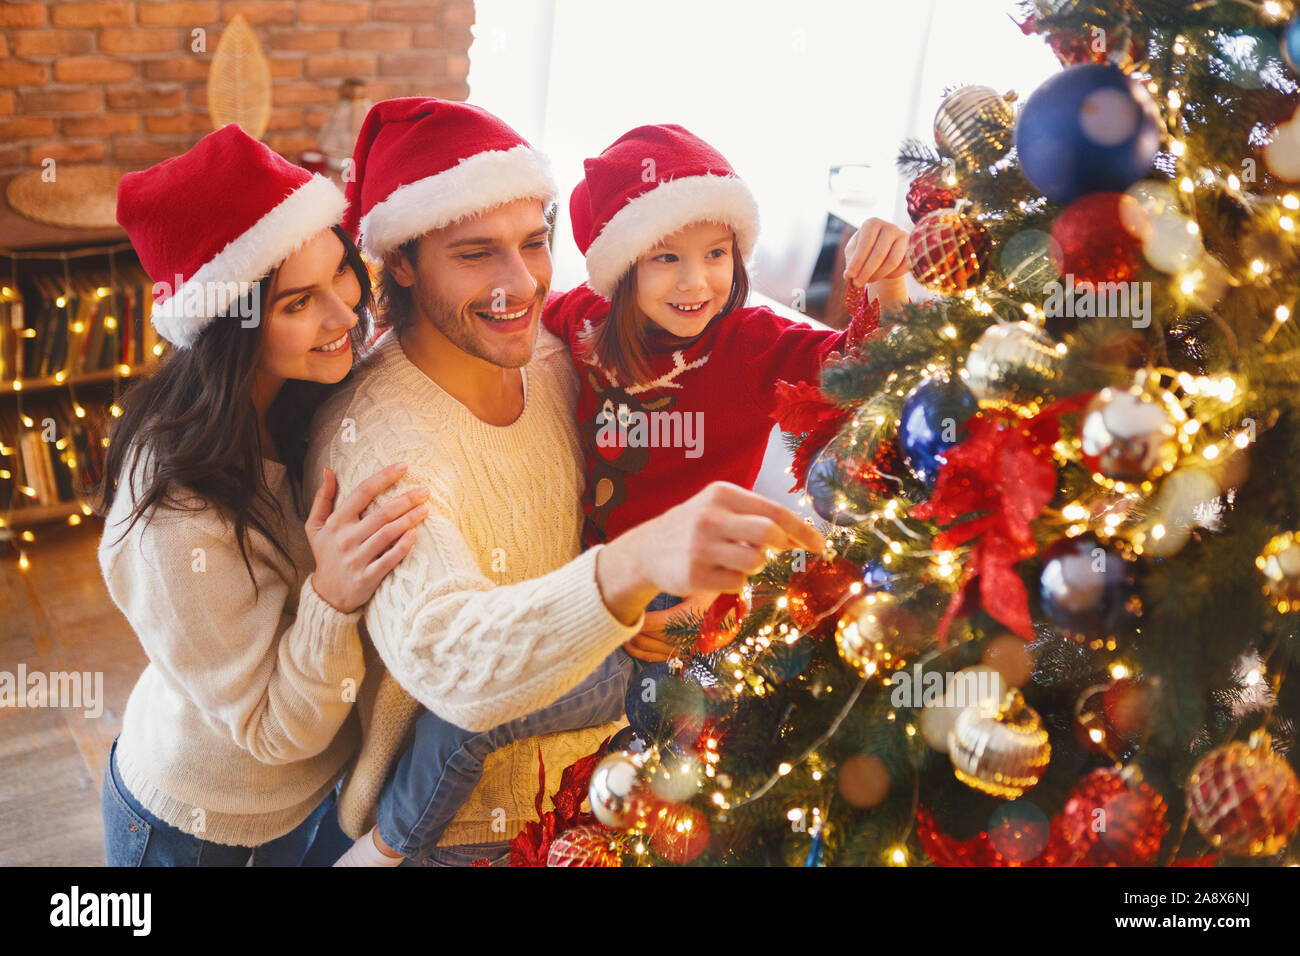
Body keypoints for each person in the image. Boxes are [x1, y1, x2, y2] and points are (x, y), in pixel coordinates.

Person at [305, 97, 826, 867]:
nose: (522, 284)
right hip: (468, 834)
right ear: (402, 262)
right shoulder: (382, 439)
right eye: (477, 252)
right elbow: (458, 668)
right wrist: (629, 574)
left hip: (587, 790)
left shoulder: (554, 350)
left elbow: (754, 349)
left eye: (535, 242)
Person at [98, 124, 429, 866]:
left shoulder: (300, 396)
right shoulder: (174, 513)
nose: (345, 315)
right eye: (297, 303)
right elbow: (274, 729)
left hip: (309, 800)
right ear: (230, 328)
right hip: (197, 829)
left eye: (341, 272)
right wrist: (332, 596)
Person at [542, 123, 909, 733]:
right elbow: (518, 333)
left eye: (716, 253)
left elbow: (869, 371)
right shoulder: (584, 320)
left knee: (681, 753)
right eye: (667, 258)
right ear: (620, 266)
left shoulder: (751, 344)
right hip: (597, 584)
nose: (696, 283)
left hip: (698, 594)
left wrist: (889, 280)